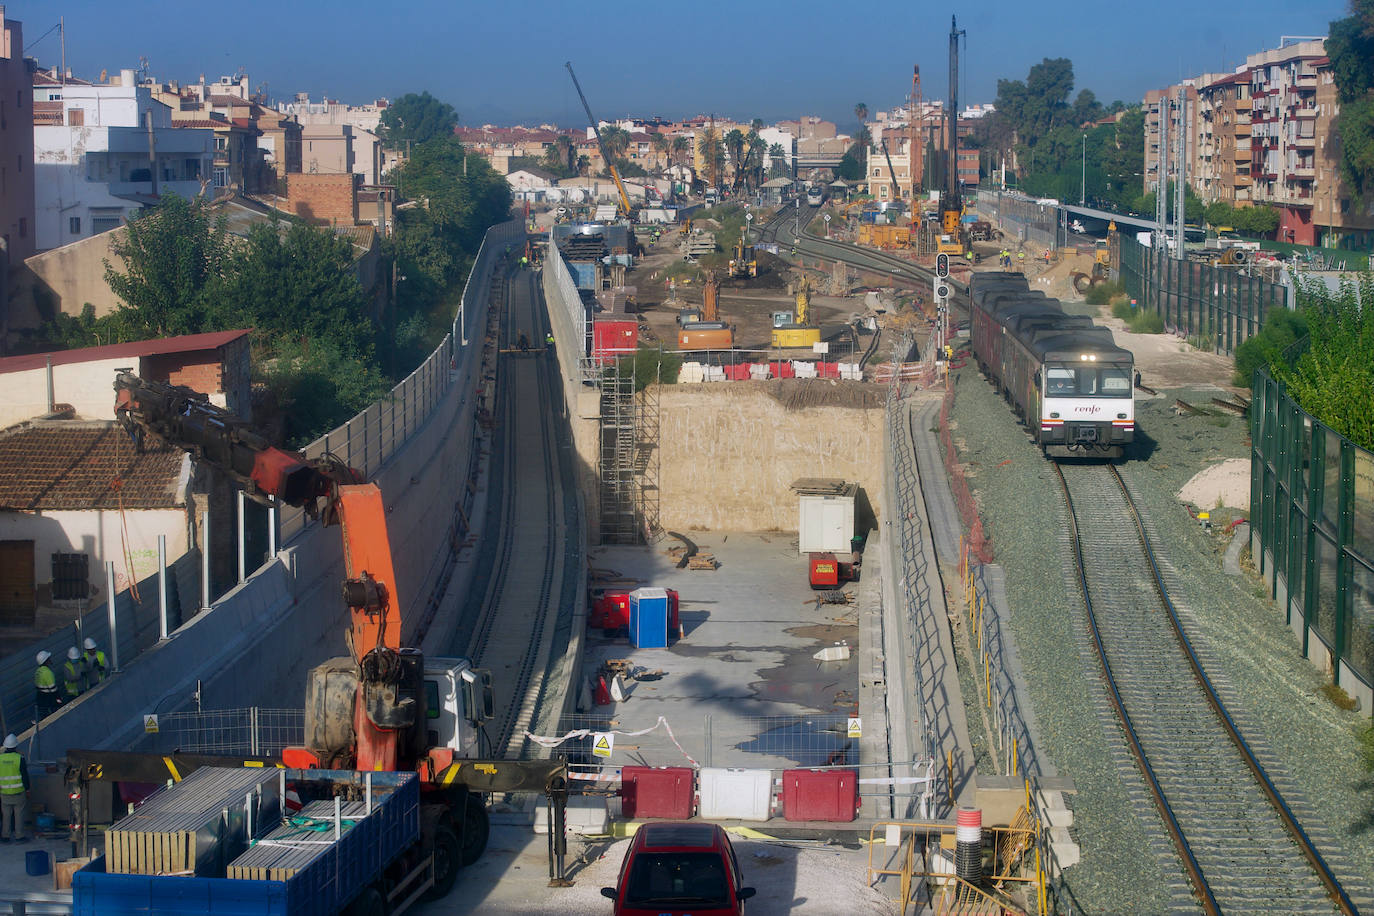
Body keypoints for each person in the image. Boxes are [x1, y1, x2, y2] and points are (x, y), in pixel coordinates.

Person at [0, 734, 29, 843]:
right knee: (19, 814)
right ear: (16, 746)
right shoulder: (19, 758)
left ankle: (5, 836)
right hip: (18, 792)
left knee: (6, 814)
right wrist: (28, 789)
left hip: (4, 792)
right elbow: (24, 775)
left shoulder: (0, 758)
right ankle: (19, 836)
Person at [33, 651, 60, 720]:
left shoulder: (37, 672)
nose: (50, 659)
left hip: (39, 698)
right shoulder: (48, 672)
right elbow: (53, 689)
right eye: (48, 658)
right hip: (48, 700)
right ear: (46, 661)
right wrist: (58, 699)